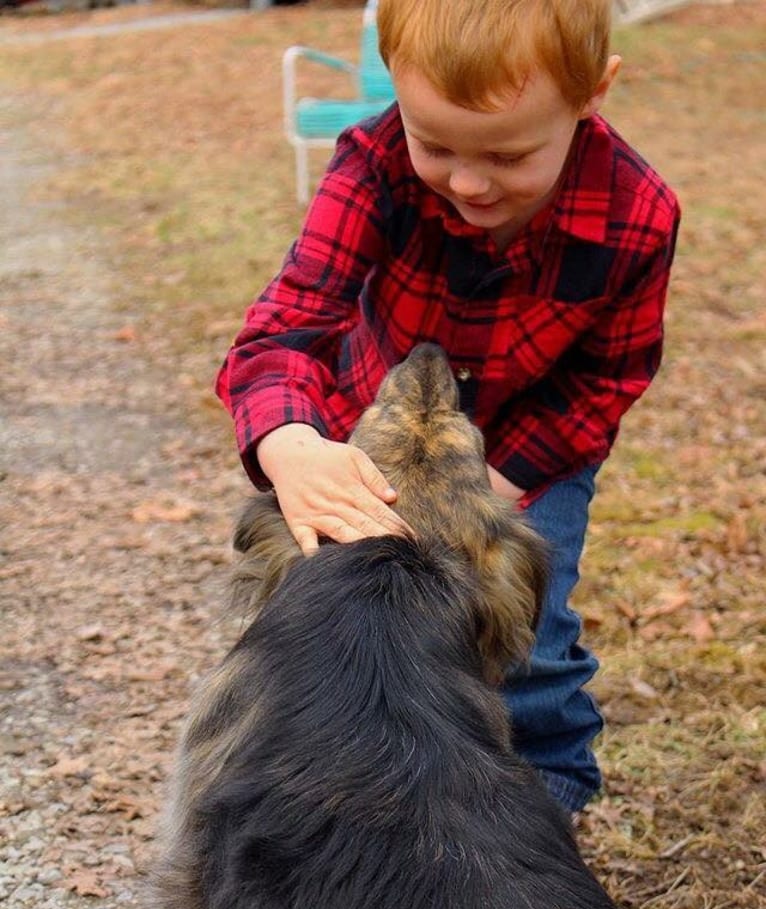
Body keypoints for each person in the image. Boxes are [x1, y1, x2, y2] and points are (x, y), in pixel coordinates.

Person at [215, 0, 681, 814]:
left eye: (508, 153)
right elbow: (287, 326)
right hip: (378, 430)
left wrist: (506, 481)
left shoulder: (639, 213)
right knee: (349, 611)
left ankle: (546, 799)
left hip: (533, 446)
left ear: (593, 93)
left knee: (526, 621)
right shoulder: (371, 162)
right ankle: (349, 777)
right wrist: (293, 443)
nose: (467, 182)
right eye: (435, 145)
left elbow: (608, 380)